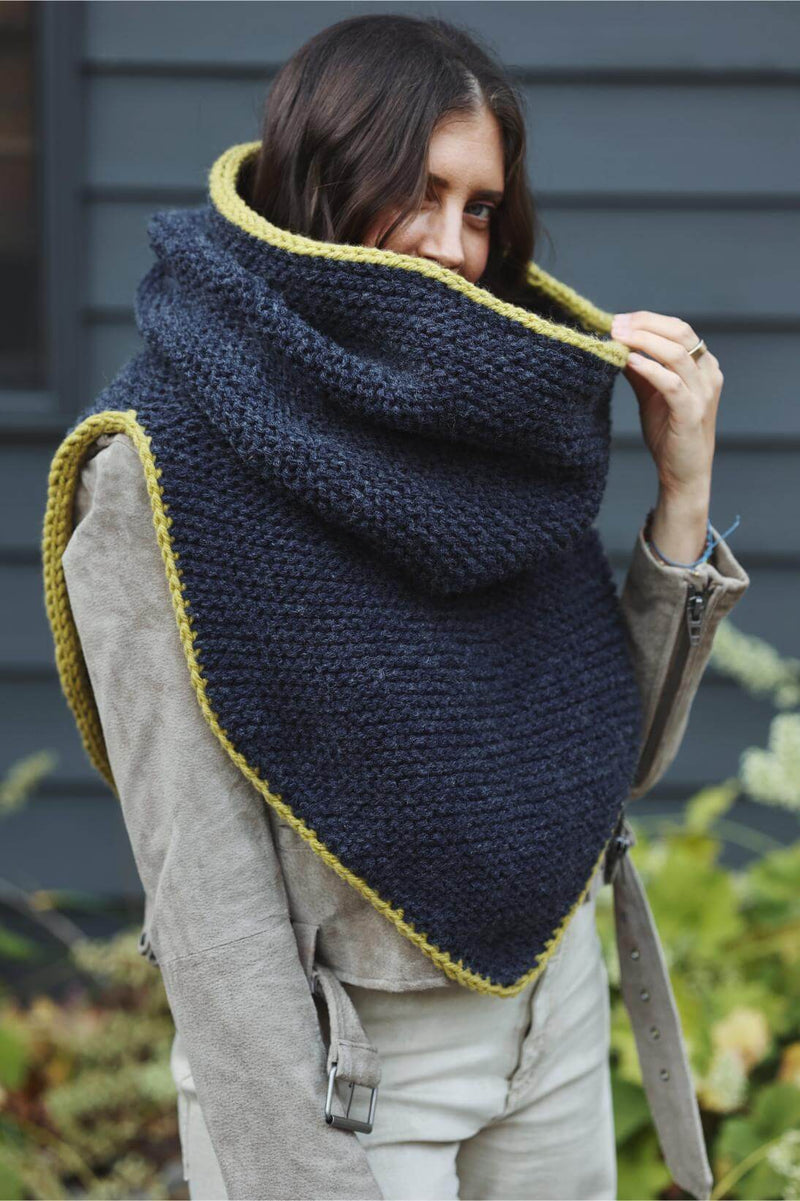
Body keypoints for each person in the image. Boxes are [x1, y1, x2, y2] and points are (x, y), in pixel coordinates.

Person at [42, 14, 750, 1201]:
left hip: (554, 1018)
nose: (453, 246)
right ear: (319, 177)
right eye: (417, 194)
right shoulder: (153, 463)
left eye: (480, 209)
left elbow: (603, 757)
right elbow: (206, 897)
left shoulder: (487, 415)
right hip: (345, 1074)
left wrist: (681, 495)